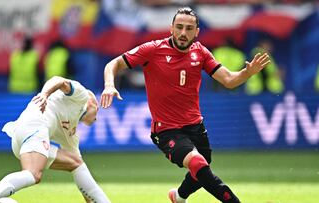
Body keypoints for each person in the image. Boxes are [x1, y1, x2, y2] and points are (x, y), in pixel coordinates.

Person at [100, 7, 270, 203]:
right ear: (171, 28)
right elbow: (113, 64)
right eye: (179, 27)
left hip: (195, 126)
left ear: (196, 32)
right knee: (198, 163)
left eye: (189, 28)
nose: (183, 33)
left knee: (202, 167)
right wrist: (109, 85)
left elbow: (229, 80)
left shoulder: (201, 53)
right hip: (166, 130)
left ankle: (179, 197)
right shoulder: (153, 49)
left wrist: (247, 73)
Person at [0, 76, 111, 203]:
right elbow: (58, 80)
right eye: (98, 110)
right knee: (33, 174)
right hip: (35, 125)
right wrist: (44, 94)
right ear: (92, 103)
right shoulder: (82, 96)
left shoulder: (71, 134)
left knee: (75, 163)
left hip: (24, 138)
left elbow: (83, 177)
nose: (97, 118)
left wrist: (91, 200)